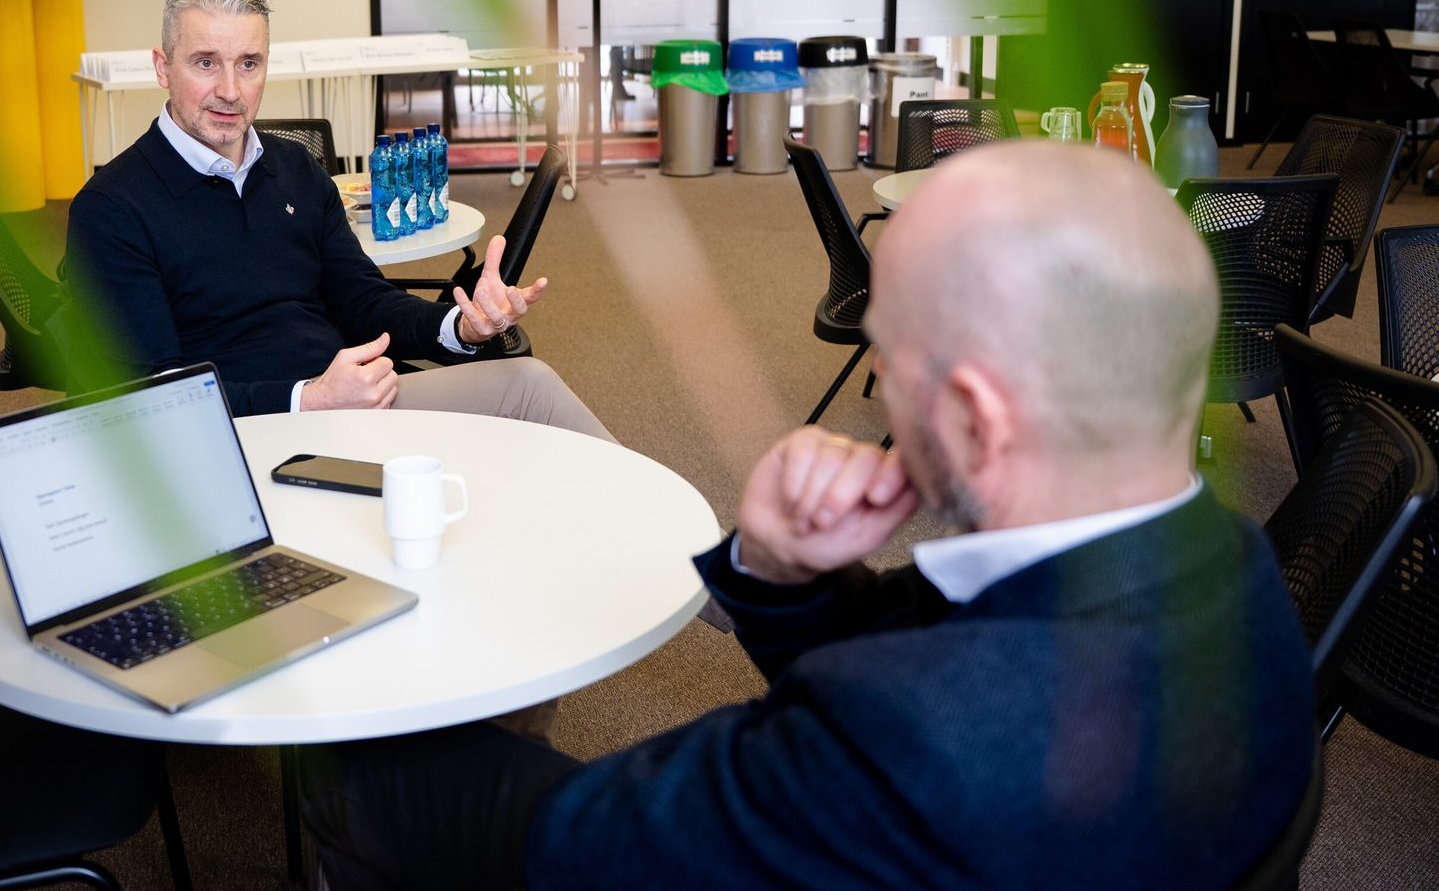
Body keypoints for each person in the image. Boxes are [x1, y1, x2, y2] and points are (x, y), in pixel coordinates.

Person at [296, 141, 1317, 890]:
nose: (882, 377)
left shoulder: (917, 743)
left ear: (975, 412)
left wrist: (356, 747)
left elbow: (587, 837)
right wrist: (782, 575)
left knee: (361, 777)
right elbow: (936, 662)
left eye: (891, 351)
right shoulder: (1236, 568)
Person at [61, 0, 610, 440]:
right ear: (163, 68)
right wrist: (309, 399)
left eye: (249, 63)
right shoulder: (112, 208)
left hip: (359, 402)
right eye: (206, 62)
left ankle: (684, 552)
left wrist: (460, 328)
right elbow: (155, 394)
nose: (230, 89)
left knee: (529, 385)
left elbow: (365, 301)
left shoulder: (295, 169)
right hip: (247, 437)